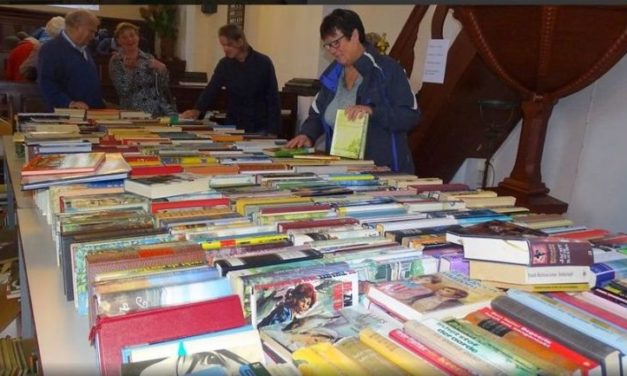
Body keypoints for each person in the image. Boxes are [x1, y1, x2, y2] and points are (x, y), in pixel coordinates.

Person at [285, 9, 420, 173]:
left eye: (336, 43)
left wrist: (372, 111)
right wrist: (307, 135)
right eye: (328, 45)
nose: (332, 50)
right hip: (340, 172)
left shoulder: (388, 70)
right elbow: (317, 113)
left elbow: (410, 116)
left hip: (383, 173)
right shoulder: (332, 74)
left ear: (355, 35)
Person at [180, 24, 281, 135]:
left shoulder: (263, 62)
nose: (225, 49)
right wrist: (197, 109)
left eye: (229, 45)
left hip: (259, 125)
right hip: (234, 124)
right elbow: (212, 89)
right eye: (223, 45)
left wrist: (273, 130)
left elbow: (273, 97)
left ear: (240, 42)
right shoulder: (225, 64)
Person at [37, 10, 105, 110]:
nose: (93, 36)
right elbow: (46, 83)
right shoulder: (50, 49)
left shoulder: (84, 47)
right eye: (91, 31)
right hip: (69, 115)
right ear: (78, 27)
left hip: (91, 113)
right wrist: (69, 103)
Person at [109, 22, 177, 117]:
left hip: (158, 110)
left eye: (132, 35)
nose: (129, 39)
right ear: (118, 41)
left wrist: (163, 70)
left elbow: (161, 88)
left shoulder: (148, 57)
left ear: (138, 37)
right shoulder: (116, 61)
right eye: (124, 37)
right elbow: (123, 91)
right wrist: (130, 71)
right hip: (134, 111)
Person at [20, 16, 65, 82]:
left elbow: (25, 70)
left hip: (44, 87)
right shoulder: (74, 48)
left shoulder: (41, 47)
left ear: (48, 30)